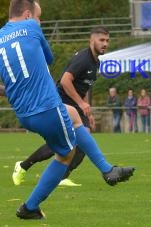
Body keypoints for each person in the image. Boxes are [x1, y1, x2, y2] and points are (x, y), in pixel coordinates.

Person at [0, 0, 134, 219]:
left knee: (73, 115)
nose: (39, 22)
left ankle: (108, 170)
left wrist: (3, 90)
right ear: (29, 15)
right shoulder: (31, 28)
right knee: (66, 154)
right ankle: (29, 207)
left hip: (24, 112)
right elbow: (49, 59)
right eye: (39, 17)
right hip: (46, 106)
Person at [11, 26, 111, 187]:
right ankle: (23, 166)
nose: (105, 43)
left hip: (77, 105)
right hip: (61, 102)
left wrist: (87, 110)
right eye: (101, 40)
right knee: (64, 143)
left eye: (107, 40)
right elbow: (65, 81)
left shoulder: (95, 62)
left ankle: (61, 176)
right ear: (91, 40)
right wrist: (81, 103)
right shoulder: (83, 59)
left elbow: (83, 87)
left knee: (83, 143)